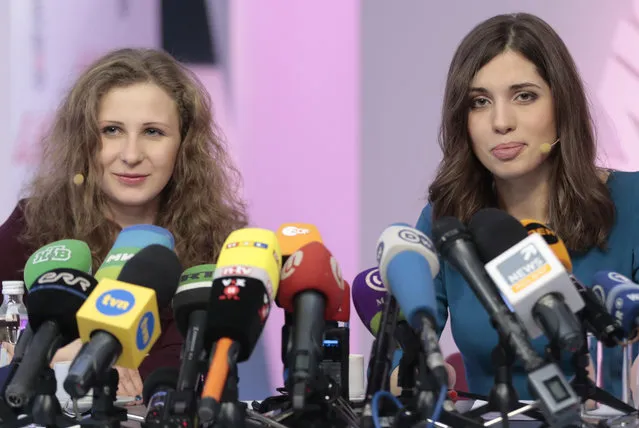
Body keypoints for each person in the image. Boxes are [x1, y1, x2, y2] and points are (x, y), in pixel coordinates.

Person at [406, 12, 639, 401]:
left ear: (562, 105)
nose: (501, 122)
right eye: (479, 102)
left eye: (524, 96)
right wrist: (414, 371)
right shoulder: (446, 219)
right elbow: (407, 350)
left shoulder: (632, 202)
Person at [0, 48, 247, 401]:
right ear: (84, 141)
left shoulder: (216, 247)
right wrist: (51, 363)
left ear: (184, 145)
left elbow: (183, 377)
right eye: (112, 130)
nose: (131, 155)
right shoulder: (32, 229)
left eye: (153, 132)